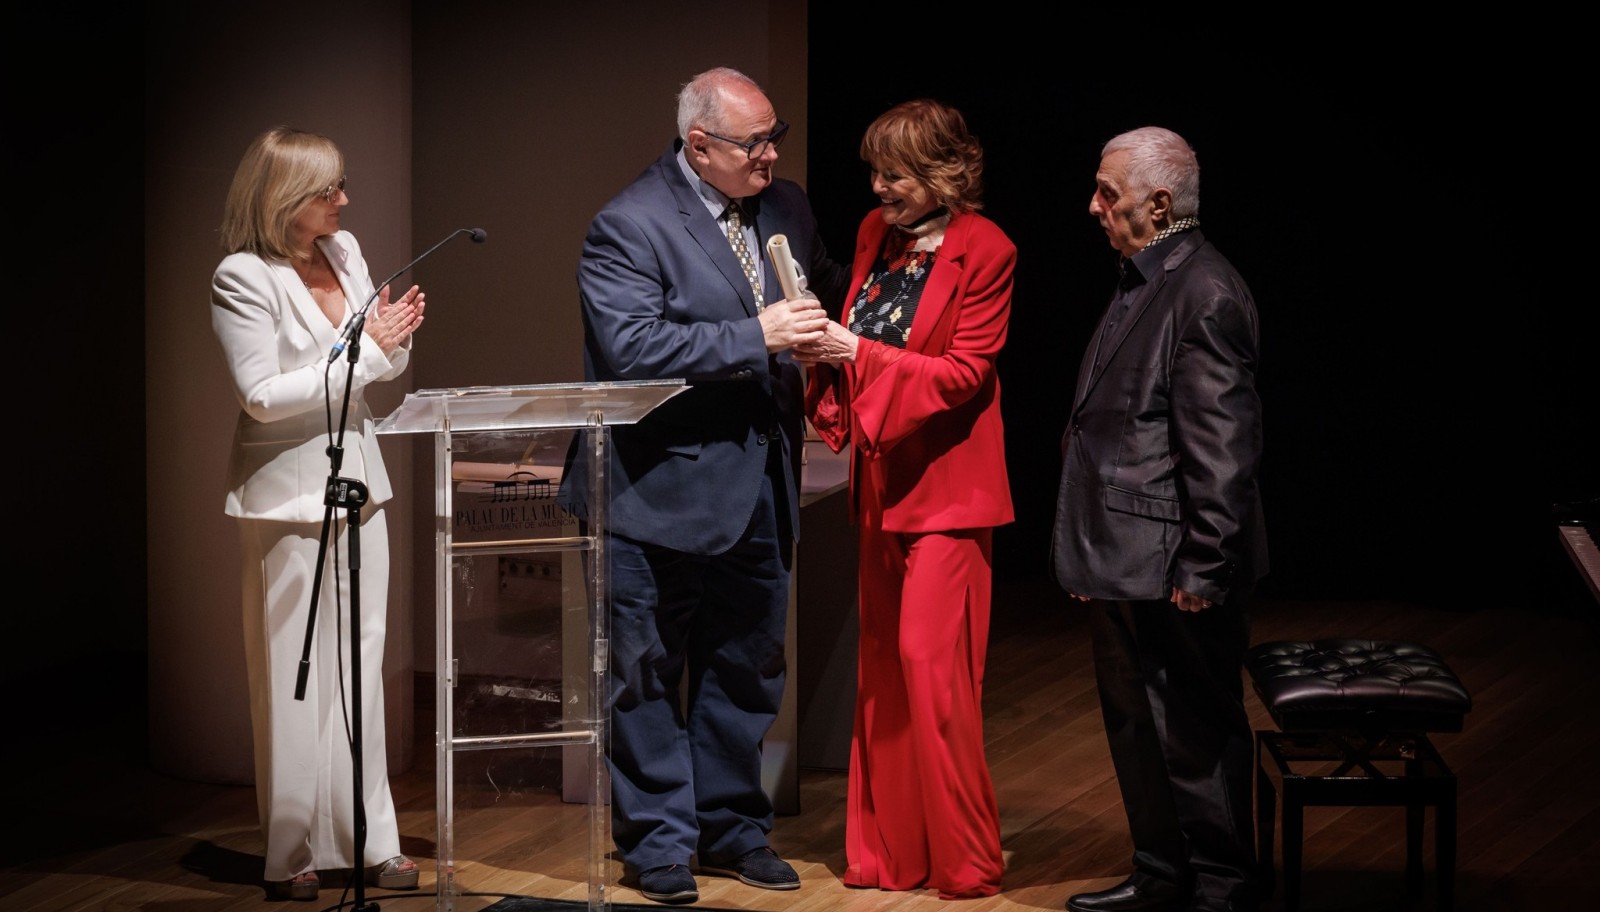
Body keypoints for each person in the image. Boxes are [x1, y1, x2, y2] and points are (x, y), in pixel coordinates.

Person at [563, 67, 847, 905]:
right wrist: (755, 335)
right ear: (698, 146)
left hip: (757, 483)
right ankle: (658, 843)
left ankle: (730, 829)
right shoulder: (629, 224)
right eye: (752, 142)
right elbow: (634, 349)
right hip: (655, 491)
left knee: (747, 664)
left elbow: (827, 284)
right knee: (647, 672)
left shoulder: (785, 204)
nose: (769, 154)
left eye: (774, 136)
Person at [793, 98, 1014, 900]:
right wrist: (828, 353)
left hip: (951, 493)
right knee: (883, 676)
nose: (880, 186)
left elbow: (965, 374)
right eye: (876, 171)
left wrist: (859, 352)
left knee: (933, 671)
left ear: (944, 174)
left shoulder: (986, 250)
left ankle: (965, 859)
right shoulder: (872, 235)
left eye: (896, 173)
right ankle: (890, 857)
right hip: (881, 486)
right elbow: (857, 342)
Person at [1051, 126, 1268, 912]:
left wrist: (1205, 566)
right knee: (1138, 726)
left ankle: (1223, 888)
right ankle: (1162, 874)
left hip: (1177, 564)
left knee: (1194, 734)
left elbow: (1223, 450)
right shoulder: (1144, 278)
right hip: (1129, 560)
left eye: (1108, 192)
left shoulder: (1204, 290)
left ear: (1160, 202)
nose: (1094, 205)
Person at [211, 126, 425, 902]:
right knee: (292, 674)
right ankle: (291, 851)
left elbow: (377, 368)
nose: (343, 200)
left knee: (361, 663)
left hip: (359, 481)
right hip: (287, 491)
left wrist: (392, 342)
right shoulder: (243, 276)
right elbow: (261, 397)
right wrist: (368, 354)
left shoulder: (344, 252)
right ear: (283, 201)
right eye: (328, 190)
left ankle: (374, 843)